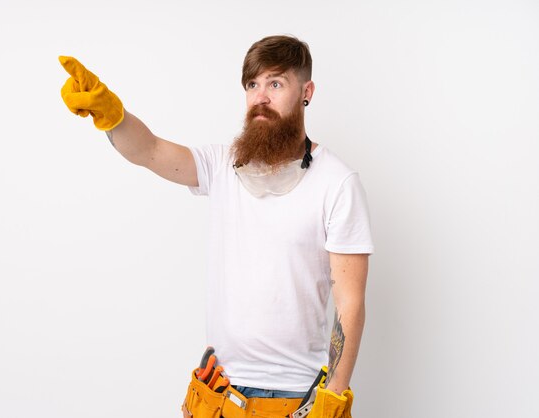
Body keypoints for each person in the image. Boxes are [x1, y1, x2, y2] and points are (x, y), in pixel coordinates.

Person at [59, 35, 373, 418]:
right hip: (217, 394)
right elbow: (150, 150)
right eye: (252, 85)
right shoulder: (221, 166)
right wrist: (111, 115)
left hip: (295, 398)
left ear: (306, 92)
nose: (260, 96)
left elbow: (349, 302)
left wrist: (333, 398)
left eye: (275, 83)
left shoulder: (337, 183)